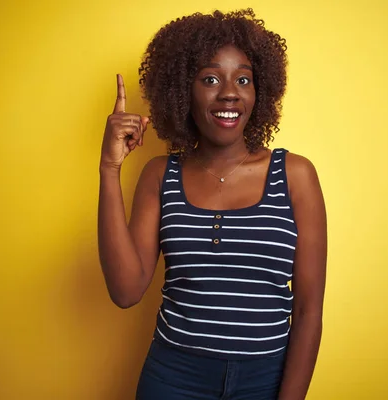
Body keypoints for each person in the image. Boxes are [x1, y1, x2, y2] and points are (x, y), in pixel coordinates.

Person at [97, 8, 327, 400]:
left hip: (265, 379)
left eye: (243, 79)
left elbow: (308, 313)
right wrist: (109, 168)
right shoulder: (159, 175)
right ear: (183, 89)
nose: (229, 93)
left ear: (260, 91)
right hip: (173, 377)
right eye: (210, 79)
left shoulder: (295, 176)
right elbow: (125, 291)